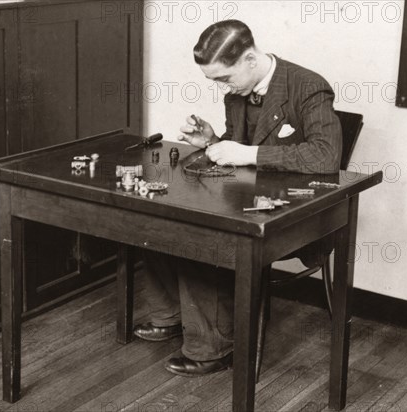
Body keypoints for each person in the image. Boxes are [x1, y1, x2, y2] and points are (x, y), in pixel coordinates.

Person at [133, 19, 342, 377]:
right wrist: (213, 142)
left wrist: (248, 154)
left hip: (296, 215)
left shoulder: (308, 86)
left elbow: (326, 156)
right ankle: (172, 315)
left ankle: (212, 346)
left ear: (249, 59)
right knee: (159, 215)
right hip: (249, 200)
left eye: (223, 78)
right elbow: (238, 143)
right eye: (213, 80)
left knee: (200, 234)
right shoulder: (237, 93)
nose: (220, 88)